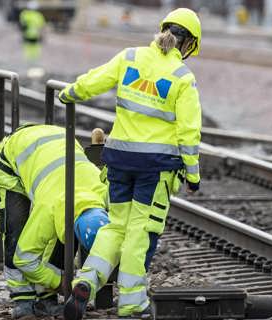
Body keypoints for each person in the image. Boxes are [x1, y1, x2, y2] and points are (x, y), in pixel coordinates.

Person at [59, 8, 202, 319]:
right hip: (155, 168)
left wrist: (68, 93)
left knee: (115, 226)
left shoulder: (130, 57)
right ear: (188, 43)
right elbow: (189, 133)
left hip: (120, 160)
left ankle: (86, 280)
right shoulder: (182, 77)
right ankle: (132, 303)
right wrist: (193, 174)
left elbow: (94, 81)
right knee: (139, 231)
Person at [0, 124, 109, 319]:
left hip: (57, 140)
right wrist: (59, 281)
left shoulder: (104, 191)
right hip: (14, 156)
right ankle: (22, 299)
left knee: (59, 237)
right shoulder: (49, 206)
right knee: (15, 231)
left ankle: (46, 300)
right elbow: (24, 257)